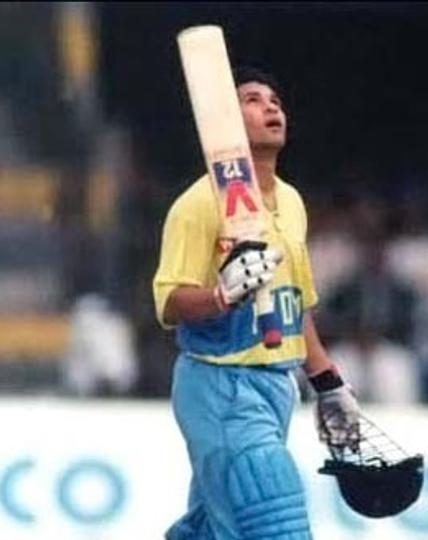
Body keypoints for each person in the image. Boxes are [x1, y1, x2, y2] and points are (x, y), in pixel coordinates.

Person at [153, 66, 361, 540]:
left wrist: (328, 384)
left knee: (214, 528)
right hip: (222, 381)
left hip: (276, 387)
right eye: (252, 99)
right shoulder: (199, 203)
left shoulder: (290, 201)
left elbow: (295, 302)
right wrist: (221, 296)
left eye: (276, 100)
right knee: (274, 523)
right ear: (223, 118)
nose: (271, 107)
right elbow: (169, 301)